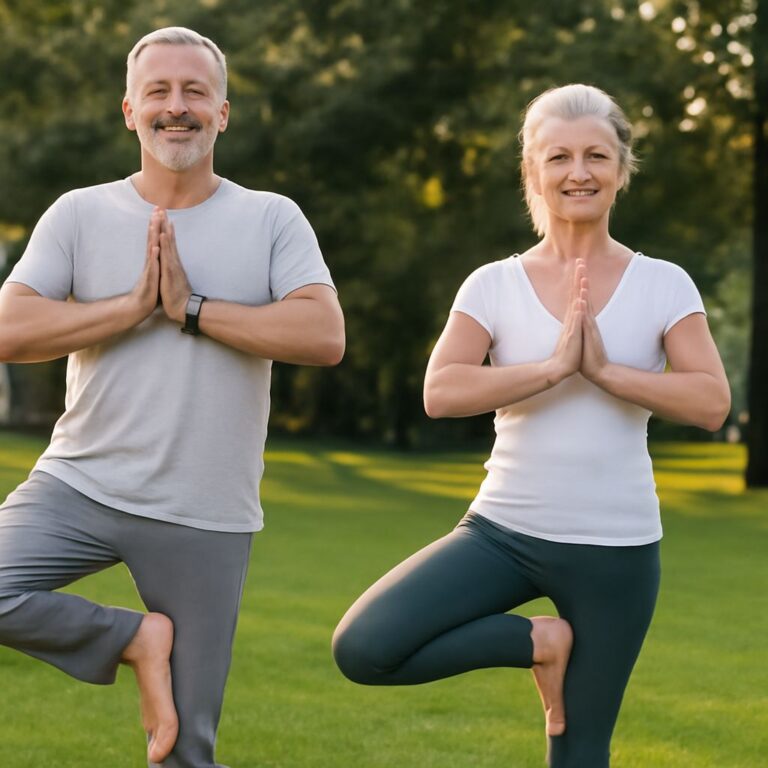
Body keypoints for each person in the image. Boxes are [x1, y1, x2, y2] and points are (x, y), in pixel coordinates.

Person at [332, 83, 730, 767]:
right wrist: (549, 369)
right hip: (503, 532)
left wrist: (605, 372)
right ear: (532, 172)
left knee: (579, 753)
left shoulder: (664, 283)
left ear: (620, 169)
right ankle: (539, 643)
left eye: (596, 156)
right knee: (365, 646)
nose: (579, 173)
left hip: (618, 548)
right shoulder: (493, 283)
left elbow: (710, 401)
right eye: (559, 158)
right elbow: (441, 390)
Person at [0, 26, 344, 768]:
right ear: (130, 110)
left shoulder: (271, 217)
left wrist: (190, 309)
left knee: (185, 751)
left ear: (224, 113)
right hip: (80, 483)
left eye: (195, 92)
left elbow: (323, 335)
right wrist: (127, 309)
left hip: (204, 510)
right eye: (159, 91)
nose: (176, 107)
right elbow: (10, 326)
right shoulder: (80, 213)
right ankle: (132, 639)